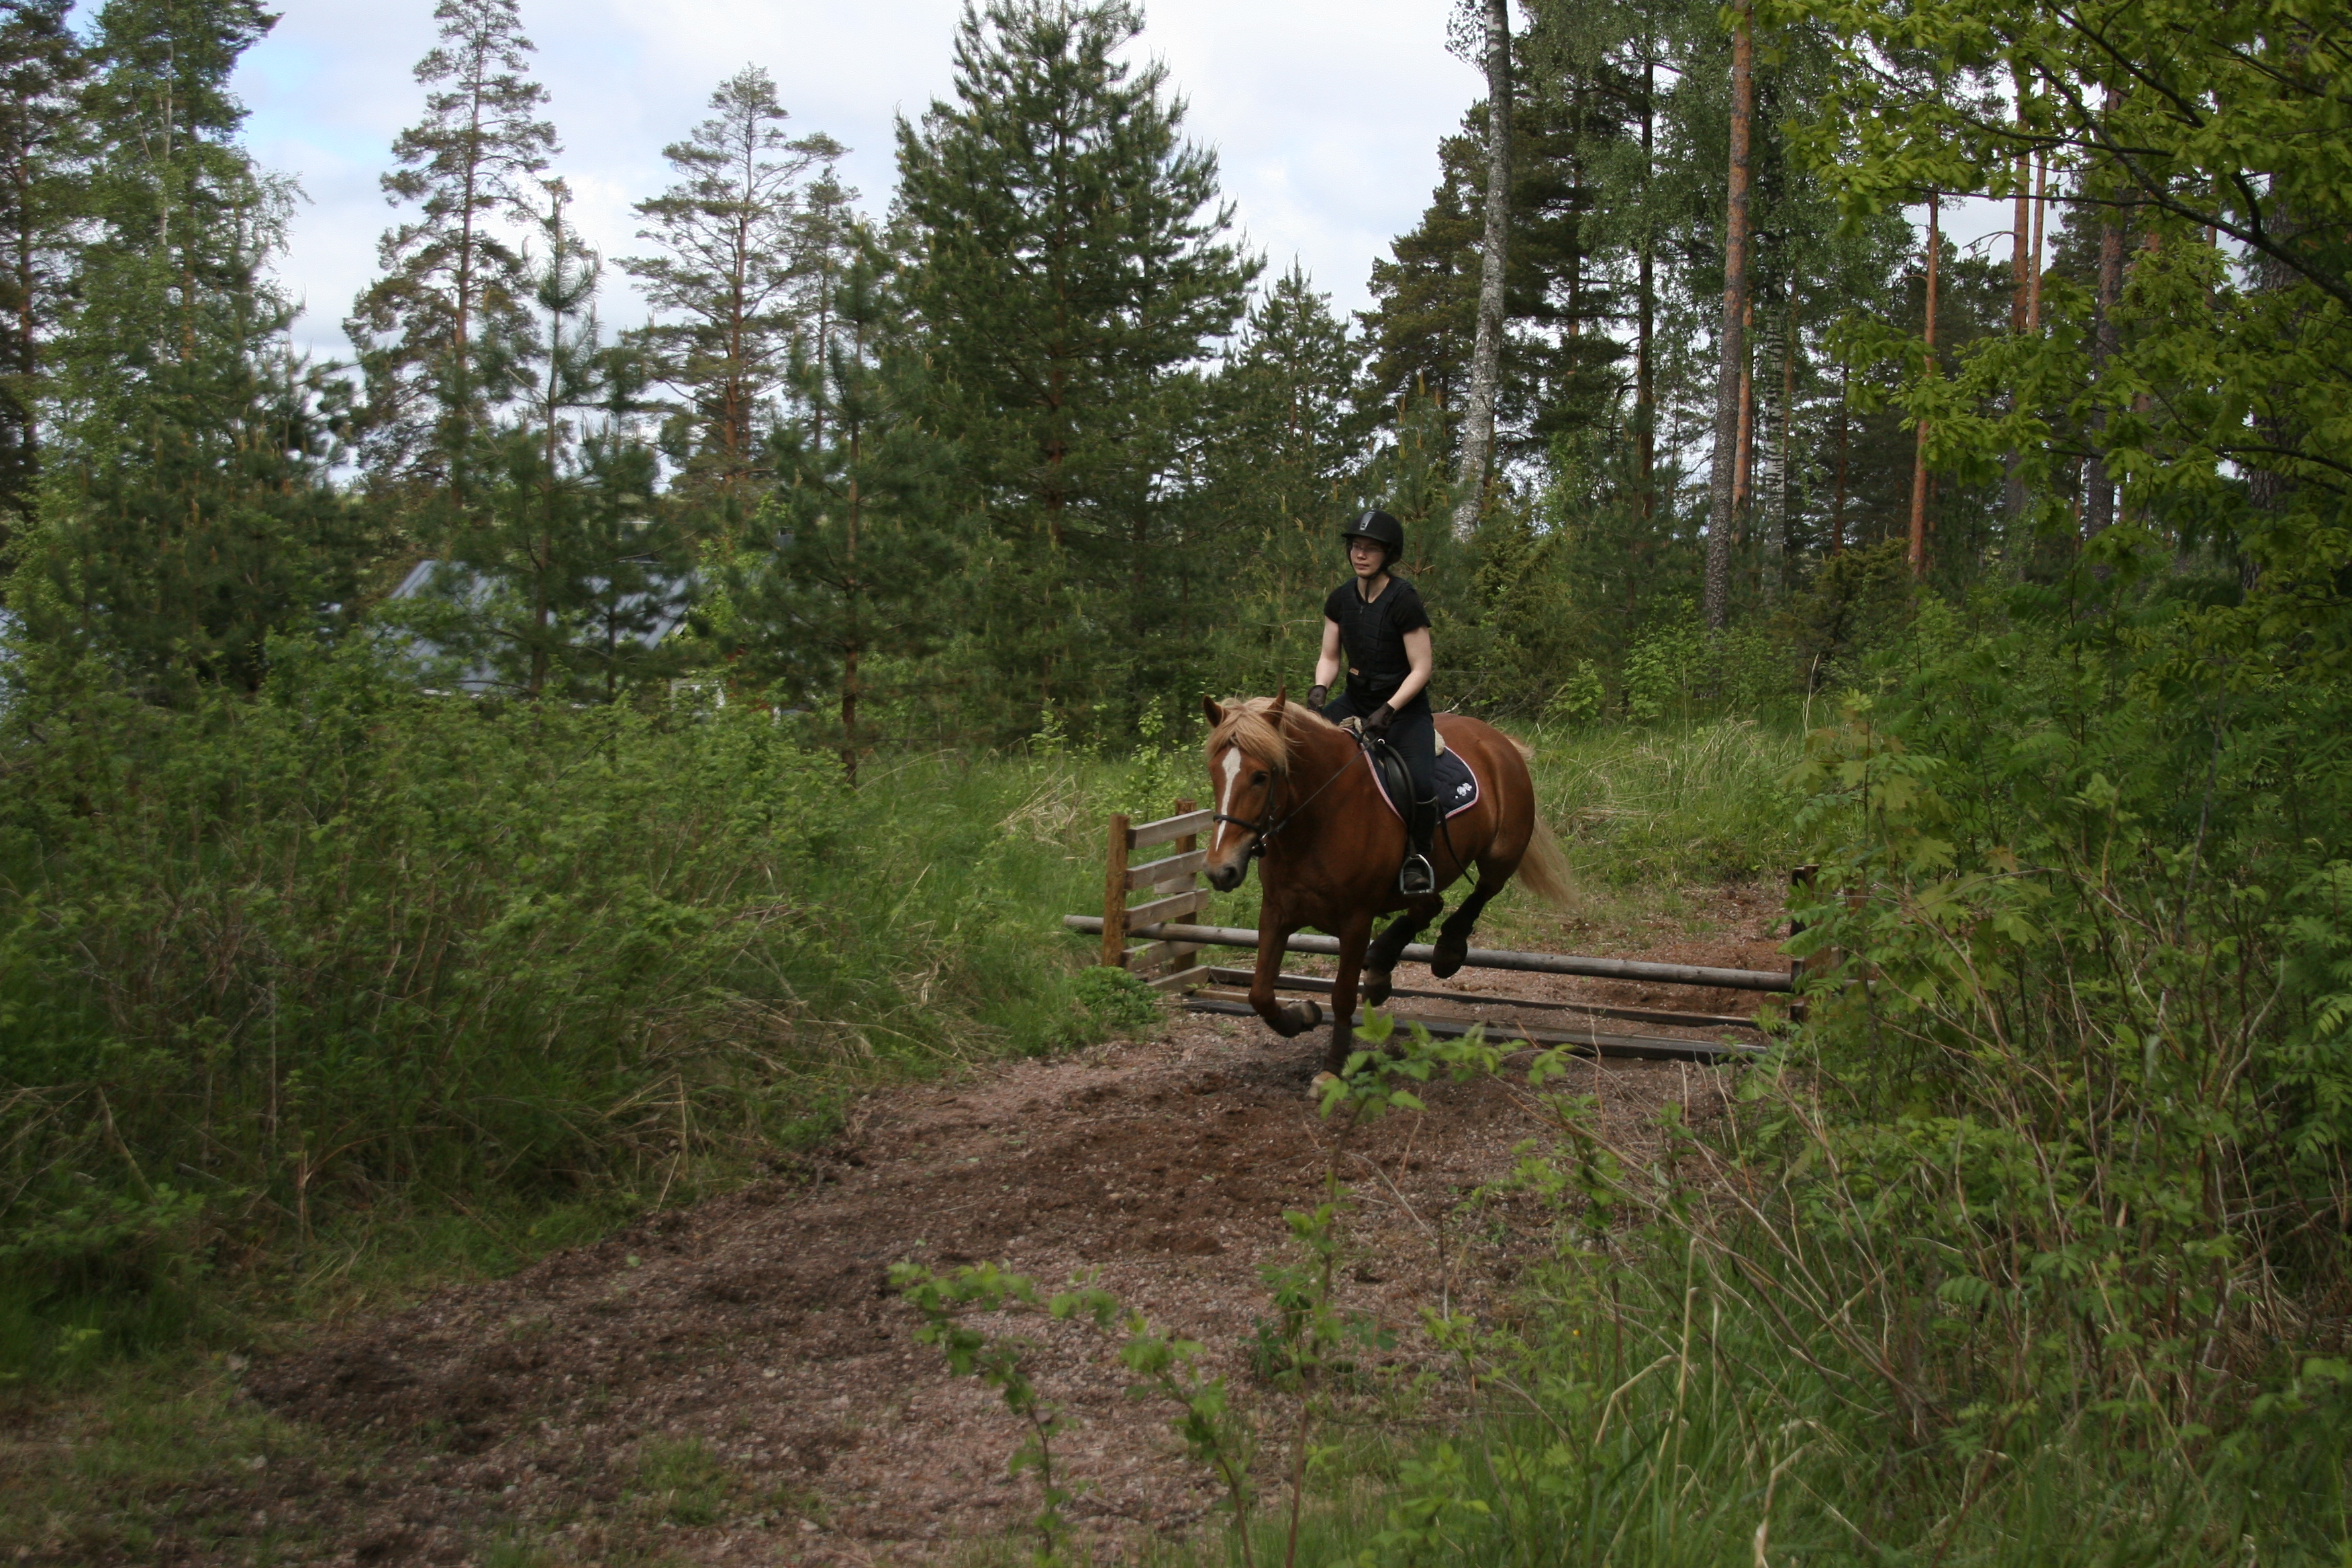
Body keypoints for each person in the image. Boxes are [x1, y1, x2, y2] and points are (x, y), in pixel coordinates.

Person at [1308, 509, 1438, 895]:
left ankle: (1418, 857)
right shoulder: (1340, 599)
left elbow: (1422, 668)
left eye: (1371, 549)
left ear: (1388, 555)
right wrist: (1320, 688)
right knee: (1300, 751)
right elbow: (1330, 657)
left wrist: (1390, 709)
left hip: (1404, 709)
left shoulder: (1403, 600)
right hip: (1355, 699)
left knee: (1419, 782)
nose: (1360, 555)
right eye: (1355, 547)